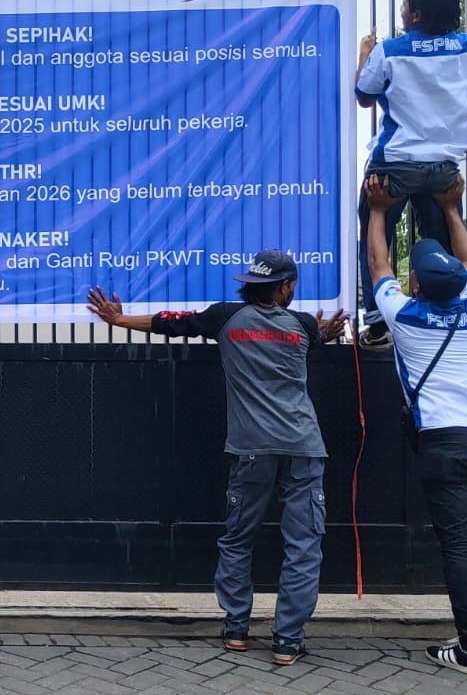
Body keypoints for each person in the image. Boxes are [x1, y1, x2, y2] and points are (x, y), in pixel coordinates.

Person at [87, 255, 346, 665]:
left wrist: (119, 320)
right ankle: (287, 641)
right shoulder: (302, 325)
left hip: (250, 450)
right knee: (303, 546)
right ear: (284, 287)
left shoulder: (225, 318)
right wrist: (325, 334)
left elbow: (172, 323)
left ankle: (237, 629)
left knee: (238, 539)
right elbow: (311, 340)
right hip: (303, 448)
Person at [363, 174, 467, 679]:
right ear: (458, 281)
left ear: (415, 284)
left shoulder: (405, 317)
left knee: (459, 545)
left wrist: (378, 211)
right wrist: (452, 209)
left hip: (442, 441)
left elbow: (378, 264)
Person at [354, 0, 467, 350]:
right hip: (443, 165)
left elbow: (364, 96)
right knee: (444, 242)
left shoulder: (390, 50)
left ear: (414, 14)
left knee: (375, 237)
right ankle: (447, 313)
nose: (401, 10)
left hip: (395, 164)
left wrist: (365, 54)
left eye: (404, 5)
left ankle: (377, 324)